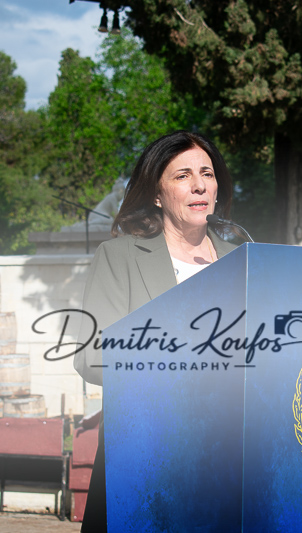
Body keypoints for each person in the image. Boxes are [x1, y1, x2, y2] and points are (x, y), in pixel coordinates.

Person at [75, 130, 238, 531]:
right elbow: (93, 356)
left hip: (231, 464)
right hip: (146, 462)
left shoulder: (245, 261)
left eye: (207, 173)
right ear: (157, 194)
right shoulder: (120, 257)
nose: (200, 185)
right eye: (183, 175)